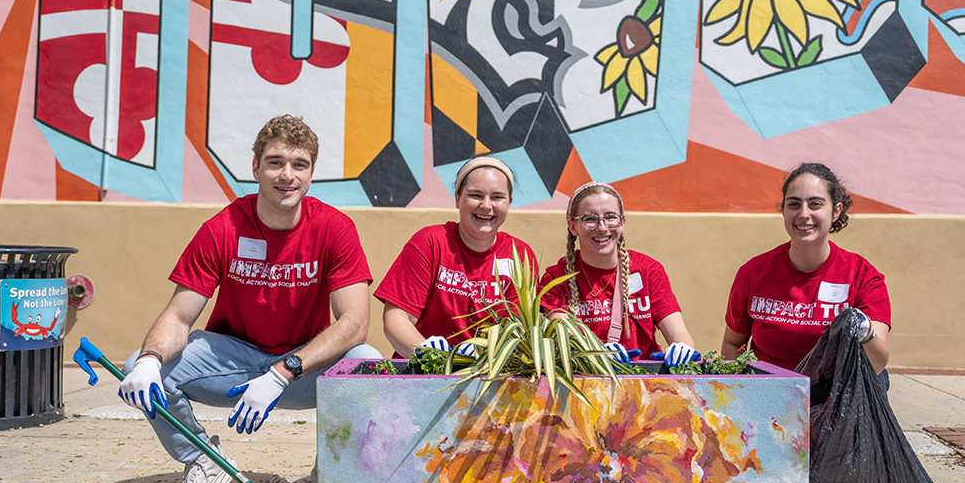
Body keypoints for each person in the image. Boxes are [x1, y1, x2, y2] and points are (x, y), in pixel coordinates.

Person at [117, 114, 380, 483]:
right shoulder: (222, 227)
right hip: (234, 364)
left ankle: (332, 467)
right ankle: (204, 459)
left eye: (299, 165)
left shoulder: (334, 228)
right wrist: (151, 359)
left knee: (369, 364)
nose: (286, 175)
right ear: (255, 167)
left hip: (302, 367)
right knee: (141, 365)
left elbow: (354, 324)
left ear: (311, 174)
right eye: (275, 162)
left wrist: (282, 372)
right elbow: (179, 315)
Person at [721, 162, 891, 385]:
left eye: (815, 204)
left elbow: (877, 364)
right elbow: (732, 345)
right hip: (771, 396)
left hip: (836, 400)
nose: (803, 214)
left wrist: (864, 331)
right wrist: (743, 393)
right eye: (794, 204)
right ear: (783, 210)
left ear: (836, 211)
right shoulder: (753, 272)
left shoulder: (862, 276)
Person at [375, 157, 537, 357]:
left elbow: (520, 329)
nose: (486, 206)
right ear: (457, 198)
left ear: (509, 202)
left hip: (489, 376)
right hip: (423, 377)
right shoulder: (430, 243)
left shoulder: (520, 256)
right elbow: (396, 318)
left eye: (497, 197)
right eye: (476, 195)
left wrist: (486, 356)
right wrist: (429, 355)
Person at [539, 181, 698, 366]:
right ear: (573, 226)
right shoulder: (556, 278)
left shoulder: (648, 270)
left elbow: (679, 333)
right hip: (587, 384)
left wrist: (682, 349)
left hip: (648, 386)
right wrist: (594, 352)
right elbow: (563, 341)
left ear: (622, 222)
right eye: (590, 219)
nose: (602, 227)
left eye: (610, 217)